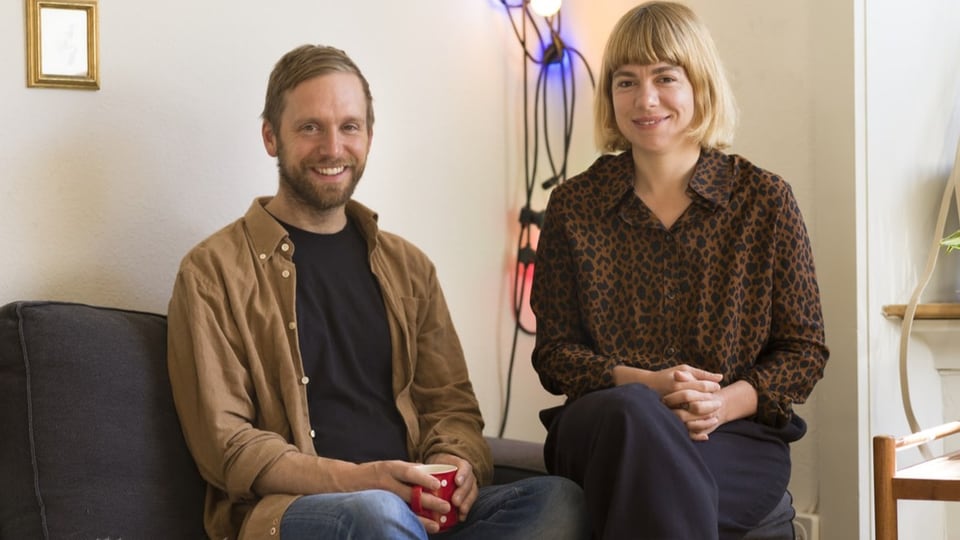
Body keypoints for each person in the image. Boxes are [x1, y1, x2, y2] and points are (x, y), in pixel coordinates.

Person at [167, 44, 589, 540]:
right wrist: (361, 480)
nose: (333, 147)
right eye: (310, 127)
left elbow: (450, 406)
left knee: (558, 500)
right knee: (375, 514)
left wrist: (454, 464)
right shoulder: (211, 272)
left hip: (413, 510)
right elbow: (229, 446)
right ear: (270, 137)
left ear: (369, 135)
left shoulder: (409, 268)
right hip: (296, 513)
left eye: (349, 126)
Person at [529, 3, 830, 539]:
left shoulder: (765, 201)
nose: (645, 100)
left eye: (665, 78)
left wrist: (721, 403)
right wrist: (644, 385)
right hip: (603, 429)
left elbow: (803, 350)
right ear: (610, 96)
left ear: (700, 85)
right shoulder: (574, 206)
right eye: (627, 82)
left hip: (731, 437)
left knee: (655, 478)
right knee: (633, 415)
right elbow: (555, 355)